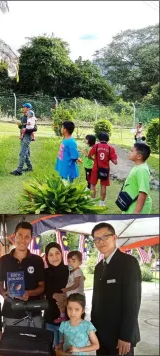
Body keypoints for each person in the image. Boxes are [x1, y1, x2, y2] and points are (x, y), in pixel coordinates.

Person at [91, 222, 141, 356]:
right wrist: (93, 329)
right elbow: (96, 301)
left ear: (114, 237)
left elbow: (133, 302)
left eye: (105, 237)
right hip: (101, 335)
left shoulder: (128, 263)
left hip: (120, 337)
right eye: (97, 239)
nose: (101, 242)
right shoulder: (98, 268)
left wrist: (126, 336)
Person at [0, 221, 45, 328]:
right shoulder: (4, 260)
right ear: (14, 236)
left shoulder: (37, 261)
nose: (23, 240)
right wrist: (5, 294)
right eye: (20, 235)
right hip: (10, 314)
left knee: (33, 345)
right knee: (13, 345)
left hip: (34, 314)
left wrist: (29, 293)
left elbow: (42, 287)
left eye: (27, 237)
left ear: (31, 239)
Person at [44, 242, 69, 347]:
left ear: (61, 254)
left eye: (57, 253)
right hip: (50, 319)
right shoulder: (44, 273)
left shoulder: (69, 270)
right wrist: (53, 294)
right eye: (51, 254)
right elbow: (41, 290)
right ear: (47, 257)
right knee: (52, 350)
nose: (54, 257)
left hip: (69, 320)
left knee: (67, 350)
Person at [53, 251, 85, 324]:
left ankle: (63, 315)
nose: (71, 263)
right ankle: (63, 315)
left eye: (73, 261)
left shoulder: (77, 271)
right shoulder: (74, 272)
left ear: (80, 262)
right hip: (70, 295)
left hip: (75, 297)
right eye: (69, 261)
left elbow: (76, 284)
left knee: (60, 300)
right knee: (58, 298)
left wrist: (67, 289)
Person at [121, 142, 152, 214]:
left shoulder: (142, 170)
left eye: (132, 151)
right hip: (131, 203)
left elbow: (143, 192)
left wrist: (137, 212)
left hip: (136, 207)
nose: (129, 153)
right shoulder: (138, 166)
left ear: (139, 156)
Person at [88, 132, 118, 207]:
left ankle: (92, 202)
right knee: (103, 186)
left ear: (98, 139)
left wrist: (94, 159)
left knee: (92, 184)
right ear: (108, 139)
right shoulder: (111, 148)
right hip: (105, 170)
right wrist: (110, 157)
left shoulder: (96, 146)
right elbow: (115, 162)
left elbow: (89, 155)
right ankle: (102, 203)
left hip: (96, 168)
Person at [10, 103, 36, 176]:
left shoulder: (31, 117)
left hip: (27, 137)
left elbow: (35, 128)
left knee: (22, 153)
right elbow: (22, 127)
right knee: (26, 153)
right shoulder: (23, 117)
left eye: (24, 107)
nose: (23, 108)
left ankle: (19, 171)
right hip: (22, 136)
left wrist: (25, 130)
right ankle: (29, 167)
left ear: (28, 108)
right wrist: (19, 125)